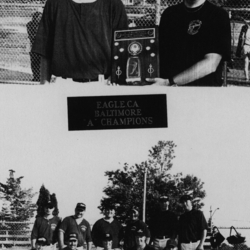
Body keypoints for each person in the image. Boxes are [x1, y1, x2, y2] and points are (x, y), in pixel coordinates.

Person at [31, 0, 128, 84]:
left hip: (102, 85)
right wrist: (44, 84)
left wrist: (116, 78)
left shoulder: (114, 4)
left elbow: (122, 48)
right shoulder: (54, 3)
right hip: (63, 85)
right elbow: (45, 51)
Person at [146, 0, 231, 86]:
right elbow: (158, 54)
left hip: (201, 91)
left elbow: (210, 64)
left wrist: (169, 82)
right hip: (169, 90)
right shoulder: (169, 13)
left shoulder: (218, 15)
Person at [26, 10, 42, 81]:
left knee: (40, 61)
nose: (40, 19)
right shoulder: (29, 24)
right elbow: (31, 35)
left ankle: (39, 76)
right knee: (34, 61)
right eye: (38, 17)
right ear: (34, 17)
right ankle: (36, 76)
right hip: (33, 44)